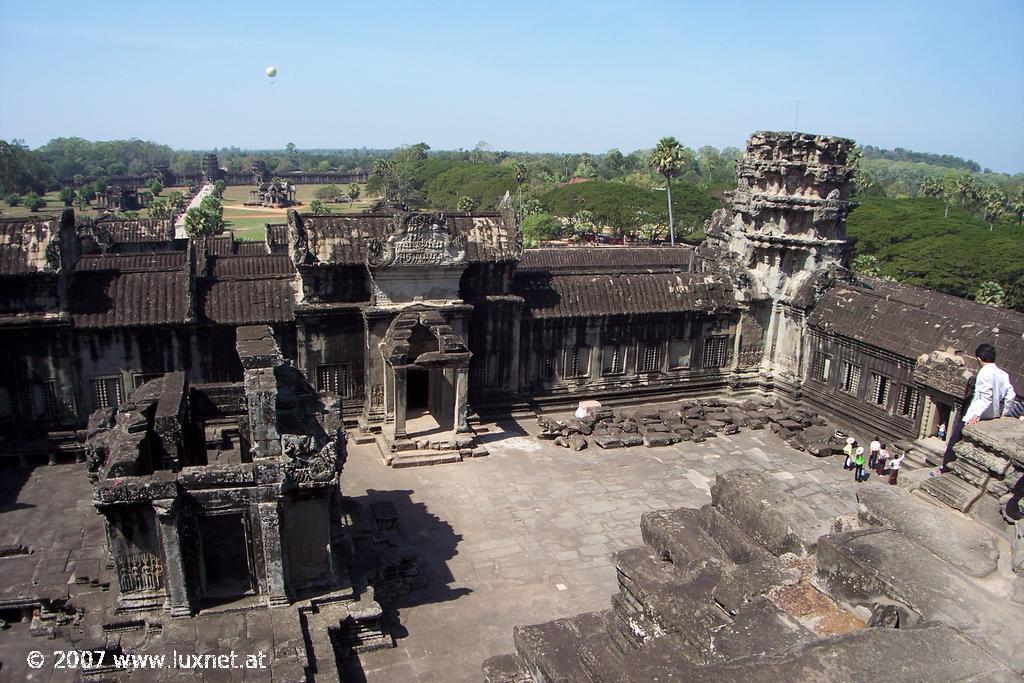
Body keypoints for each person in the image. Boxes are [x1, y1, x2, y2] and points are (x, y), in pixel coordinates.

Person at [941, 344, 1016, 472]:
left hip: (975, 415)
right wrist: (1005, 413)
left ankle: (945, 469)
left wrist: (976, 415)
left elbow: (986, 397)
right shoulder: (1002, 374)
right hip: (994, 415)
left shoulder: (984, 373)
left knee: (954, 442)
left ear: (979, 358)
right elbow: (1011, 395)